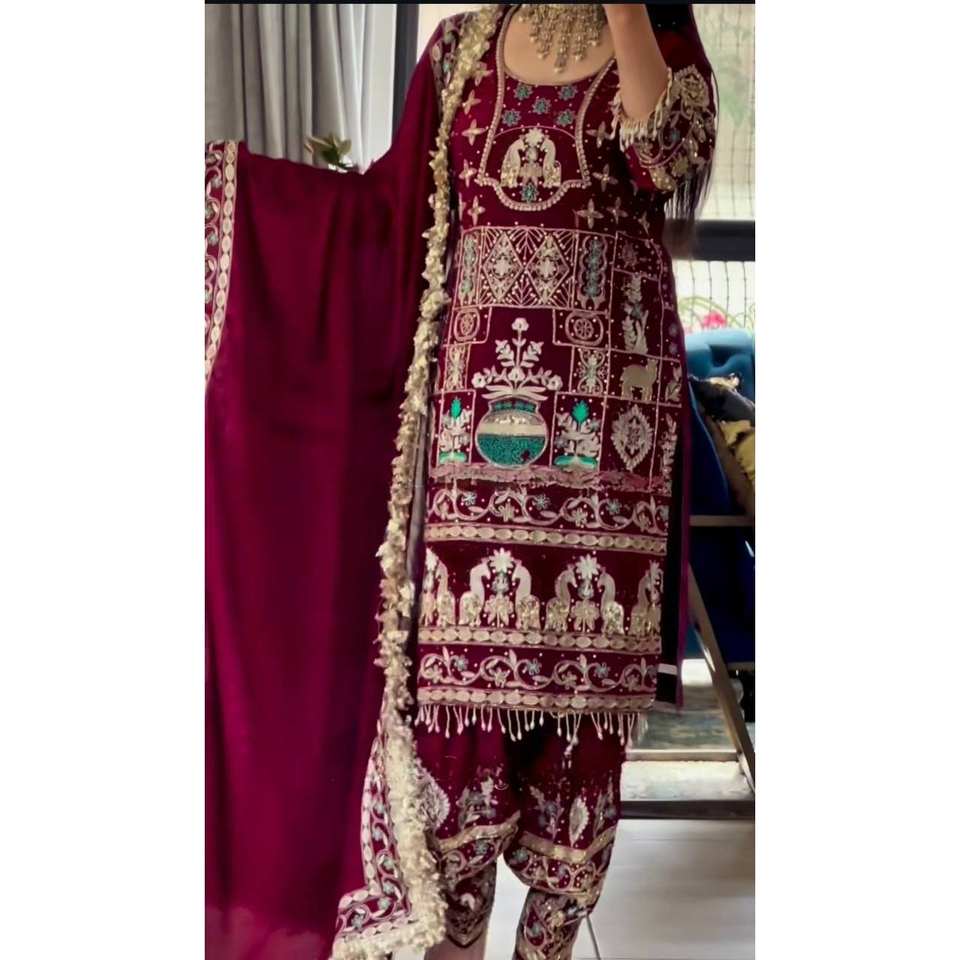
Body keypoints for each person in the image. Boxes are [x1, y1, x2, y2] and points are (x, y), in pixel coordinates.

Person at [204, 6, 715, 960]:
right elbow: (387, 221)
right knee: (452, 781)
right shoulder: (458, 53)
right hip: (466, 474)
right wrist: (239, 204)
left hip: (605, 470)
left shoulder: (661, 46)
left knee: (576, 780)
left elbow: (666, 155)